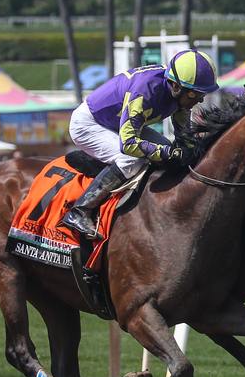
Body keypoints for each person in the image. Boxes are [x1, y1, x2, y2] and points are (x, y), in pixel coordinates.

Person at [61, 49, 219, 239]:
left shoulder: (179, 92)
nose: (201, 99)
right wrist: (170, 153)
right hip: (89, 124)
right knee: (131, 159)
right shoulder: (145, 92)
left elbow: (183, 140)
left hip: (117, 124)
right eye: (196, 94)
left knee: (164, 146)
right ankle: (79, 211)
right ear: (176, 87)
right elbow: (128, 144)